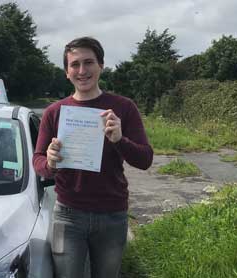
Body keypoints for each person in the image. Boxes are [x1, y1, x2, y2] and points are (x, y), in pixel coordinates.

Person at [32, 37, 153, 278]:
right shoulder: (54, 112)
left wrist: (120, 140)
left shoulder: (123, 107)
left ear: (101, 66)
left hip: (112, 213)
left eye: (89, 62)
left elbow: (145, 159)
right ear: (67, 72)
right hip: (67, 214)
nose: (82, 70)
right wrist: (51, 162)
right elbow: (38, 163)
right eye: (75, 64)